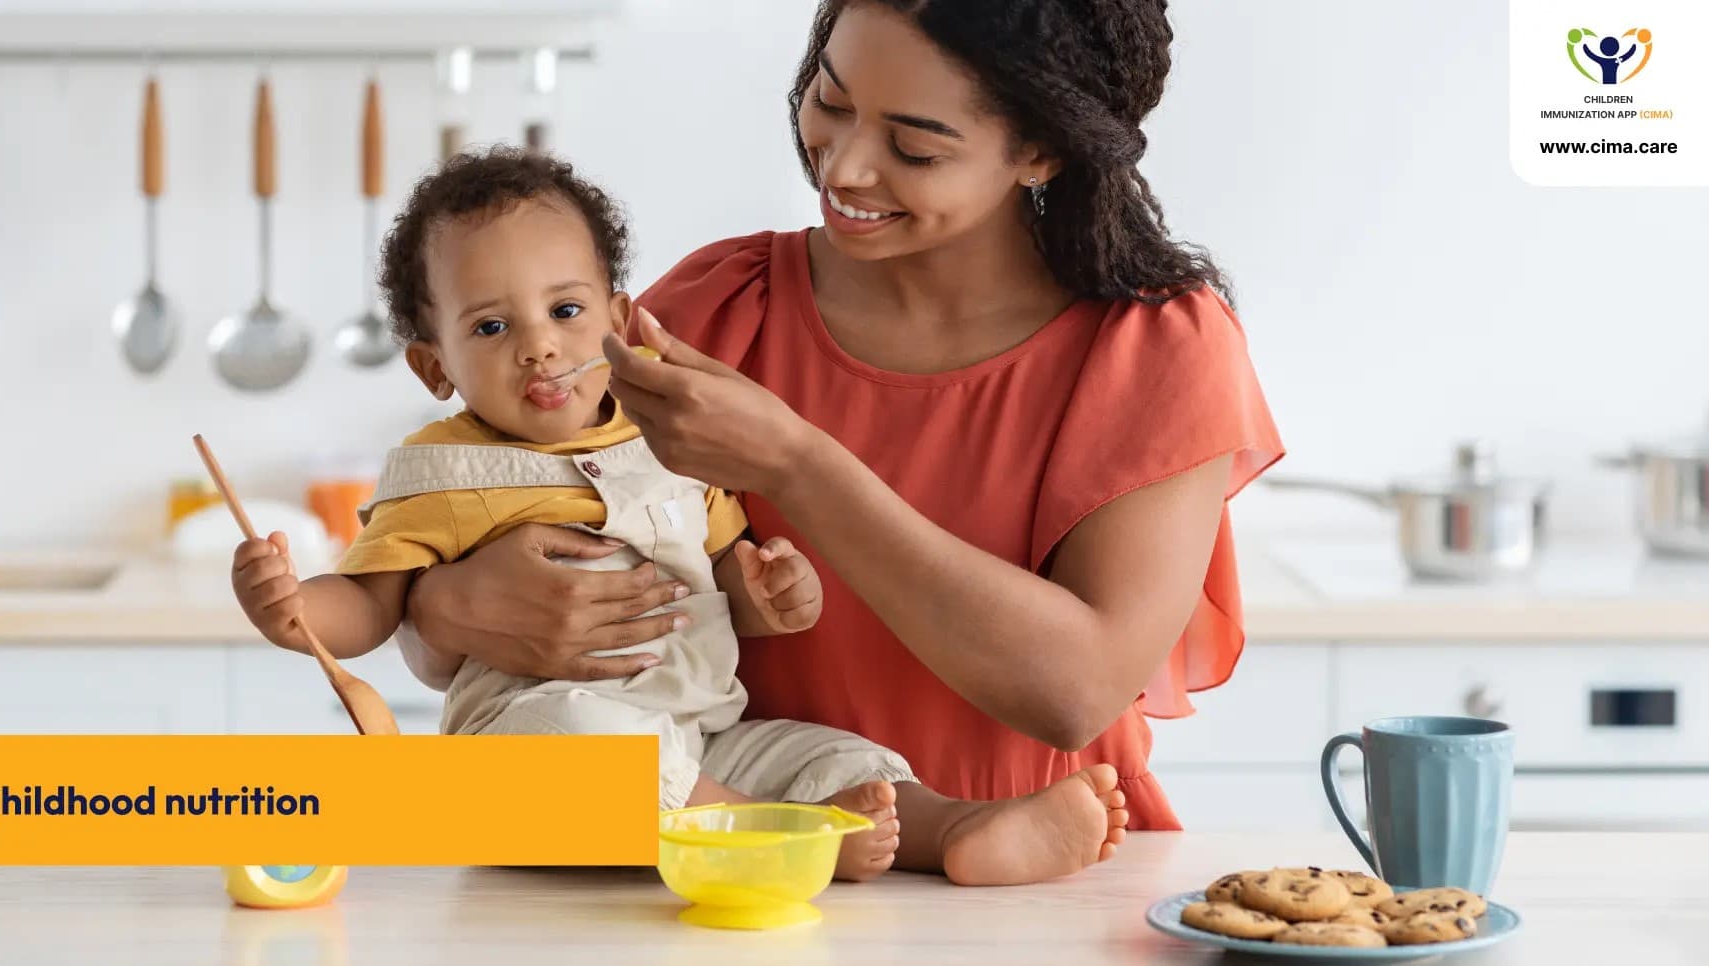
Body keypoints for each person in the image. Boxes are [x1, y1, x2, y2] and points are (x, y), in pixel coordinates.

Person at [396, 0, 1285, 872]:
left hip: (1036, 882)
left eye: (914, 146)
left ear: (1042, 150)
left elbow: (1077, 691)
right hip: (742, 870)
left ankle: (949, 829)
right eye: (829, 99)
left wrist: (796, 461)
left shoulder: (1152, 348)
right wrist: (445, 606)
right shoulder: (718, 305)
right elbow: (501, 606)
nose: (845, 167)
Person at [230, 147, 1129, 885]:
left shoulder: (668, 435)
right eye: (492, 329)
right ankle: (763, 839)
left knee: (832, 757)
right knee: (581, 740)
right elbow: (371, 606)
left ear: (620, 317)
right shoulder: (438, 470)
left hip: (707, 732)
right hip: (540, 748)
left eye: (566, 310)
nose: (540, 343)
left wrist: (777, 592)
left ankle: (955, 831)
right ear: (435, 367)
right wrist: (292, 608)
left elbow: (733, 581)